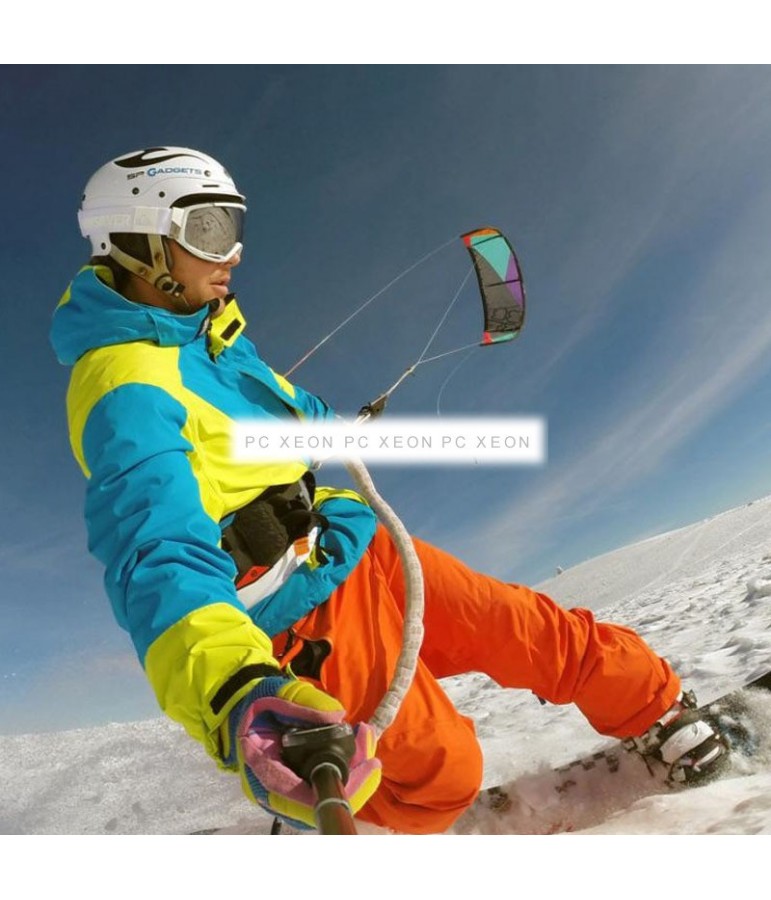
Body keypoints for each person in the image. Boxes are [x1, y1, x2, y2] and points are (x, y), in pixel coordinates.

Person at [50, 146, 728, 834]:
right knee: (444, 773)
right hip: (297, 612)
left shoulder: (213, 340)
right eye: (210, 230)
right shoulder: (124, 385)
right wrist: (233, 689)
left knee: (527, 628)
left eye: (236, 227)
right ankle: (323, 796)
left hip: (348, 546)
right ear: (137, 239)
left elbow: (280, 418)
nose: (235, 252)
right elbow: (155, 553)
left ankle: (659, 712)